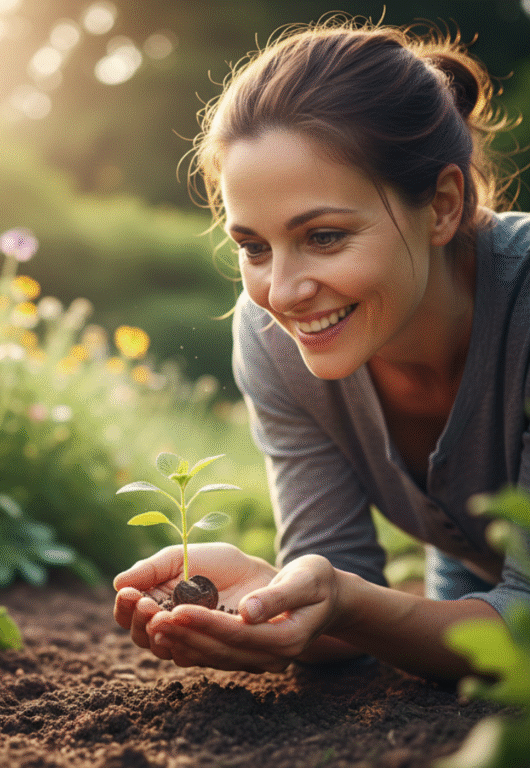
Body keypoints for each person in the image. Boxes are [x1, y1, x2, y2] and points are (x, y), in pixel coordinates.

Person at [112, 16, 530, 681]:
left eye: (326, 236)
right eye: (253, 246)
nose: (281, 291)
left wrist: (347, 603)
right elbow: (341, 582)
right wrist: (278, 598)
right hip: (481, 580)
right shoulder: (271, 341)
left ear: (444, 205)